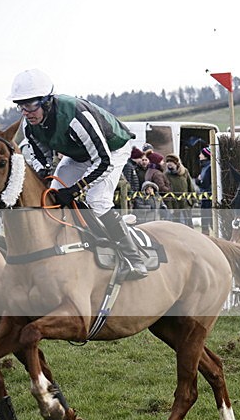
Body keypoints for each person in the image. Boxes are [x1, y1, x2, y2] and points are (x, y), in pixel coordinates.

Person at [8, 68, 147, 279]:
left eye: (30, 105)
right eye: (20, 105)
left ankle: (134, 259)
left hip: (113, 150)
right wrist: (46, 180)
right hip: (79, 155)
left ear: (46, 101)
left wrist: (75, 189)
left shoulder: (76, 115)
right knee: (52, 196)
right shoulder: (29, 126)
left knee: (97, 201)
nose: (25, 112)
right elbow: (41, 160)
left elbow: (104, 161)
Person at [164, 154, 196, 227]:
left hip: (186, 204)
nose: (169, 163)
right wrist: (170, 206)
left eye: (171, 161)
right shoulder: (166, 175)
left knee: (188, 225)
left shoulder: (184, 172)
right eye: (167, 161)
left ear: (176, 163)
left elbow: (190, 186)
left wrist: (193, 200)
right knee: (177, 226)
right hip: (174, 205)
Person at [195, 146, 213, 234]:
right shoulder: (205, 167)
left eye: (201, 154)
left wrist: (198, 180)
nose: (199, 156)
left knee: (206, 218)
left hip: (208, 197)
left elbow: (205, 183)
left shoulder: (209, 168)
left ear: (206, 155)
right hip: (205, 196)